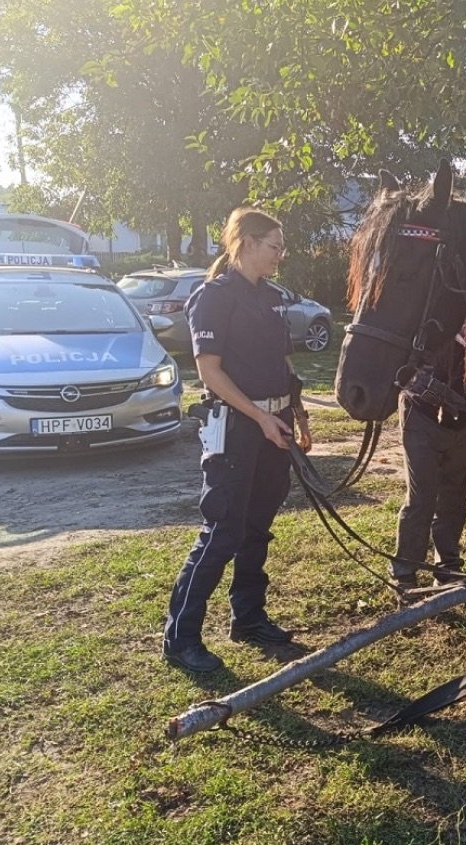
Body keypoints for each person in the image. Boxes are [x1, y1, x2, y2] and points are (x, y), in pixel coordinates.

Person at [162, 206, 310, 673]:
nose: (279, 257)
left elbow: (282, 364)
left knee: (257, 526)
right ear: (245, 243)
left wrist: (296, 410)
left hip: (274, 423)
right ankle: (181, 637)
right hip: (236, 426)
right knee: (222, 530)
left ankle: (248, 618)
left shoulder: (271, 297)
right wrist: (259, 418)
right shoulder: (213, 297)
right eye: (274, 247)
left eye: (282, 248)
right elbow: (210, 372)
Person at [392, 323, 466, 592]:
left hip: (462, 417)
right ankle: (404, 573)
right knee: (422, 497)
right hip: (422, 411)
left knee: (455, 495)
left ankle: (448, 568)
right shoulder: (440, 312)